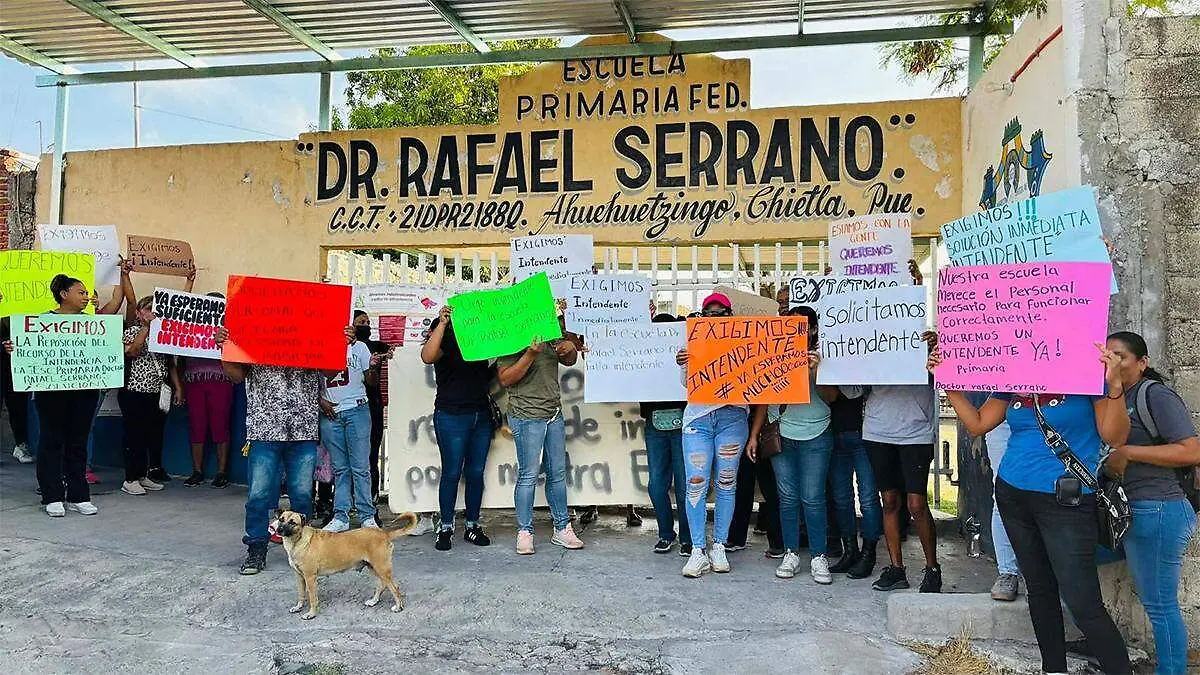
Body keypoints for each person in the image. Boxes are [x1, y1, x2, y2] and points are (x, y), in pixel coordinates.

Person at [934, 343, 1132, 674]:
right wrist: (950, 384)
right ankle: (1053, 668)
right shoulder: (1014, 371)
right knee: (1039, 590)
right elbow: (979, 423)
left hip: (1066, 501)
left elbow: (1115, 436)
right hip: (1013, 493)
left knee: (1083, 602)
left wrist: (1114, 387)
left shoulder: (1088, 370)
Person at [216, 324, 354, 575]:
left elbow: (330, 371)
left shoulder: (311, 336)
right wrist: (225, 347)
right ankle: (256, 549)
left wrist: (340, 344)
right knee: (258, 496)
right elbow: (237, 376)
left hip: (302, 431)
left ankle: (306, 549)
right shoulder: (255, 335)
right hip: (264, 430)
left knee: (301, 496)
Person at [1103, 331, 1198, 674]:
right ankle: (1103, 641)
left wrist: (1129, 453)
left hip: (1157, 509)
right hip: (1122, 512)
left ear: (1142, 363)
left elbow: (1191, 450)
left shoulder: (1153, 395)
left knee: (1159, 605)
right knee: (1070, 565)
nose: (1111, 361)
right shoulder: (1108, 397)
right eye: (1106, 354)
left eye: (1120, 356)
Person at [5, 273, 126, 517]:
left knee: (78, 442)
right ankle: (52, 496)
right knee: (51, 441)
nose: (86, 297)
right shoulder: (41, 321)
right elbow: (29, 349)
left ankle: (78, 496)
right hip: (51, 393)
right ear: (63, 294)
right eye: (80, 292)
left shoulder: (94, 325)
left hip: (85, 391)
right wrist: (15, 349)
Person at [747, 305, 836, 583]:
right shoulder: (774, 353)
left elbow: (832, 397)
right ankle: (791, 553)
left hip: (817, 433)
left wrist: (817, 370)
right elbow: (764, 398)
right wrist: (754, 435)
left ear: (812, 329)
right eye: (790, 324)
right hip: (782, 434)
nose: (796, 330)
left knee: (812, 498)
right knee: (787, 498)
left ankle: (819, 556)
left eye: (801, 325)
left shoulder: (825, 355)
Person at [674, 292, 750, 578]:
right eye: (710, 313)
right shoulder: (692, 340)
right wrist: (683, 362)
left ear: (730, 315)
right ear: (703, 316)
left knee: (726, 483)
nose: (715, 318)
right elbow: (687, 383)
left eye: (721, 314)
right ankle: (697, 549)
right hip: (698, 418)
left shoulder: (743, 339)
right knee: (695, 483)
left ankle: (718, 545)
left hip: (732, 417)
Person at [863, 332, 943, 594]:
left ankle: (932, 568)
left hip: (916, 431)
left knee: (916, 504)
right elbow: (852, 389)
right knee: (890, 502)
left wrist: (935, 353)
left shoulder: (923, 338)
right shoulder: (865, 337)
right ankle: (897, 569)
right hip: (878, 430)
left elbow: (940, 376)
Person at [496, 321, 584, 555]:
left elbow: (570, 360)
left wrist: (569, 347)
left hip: (553, 412)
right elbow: (505, 378)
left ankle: (562, 528)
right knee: (528, 474)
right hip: (525, 415)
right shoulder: (510, 334)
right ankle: (524, 531)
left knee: (557, 473)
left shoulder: (551, 330)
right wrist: (530, 353)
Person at [420, 305, 494, 551]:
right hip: (451, 416)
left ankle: (472, 525)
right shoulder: (445, 337)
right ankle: (447, 526)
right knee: (451, 473)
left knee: (475, 472)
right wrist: (441, 324)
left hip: (480, 415)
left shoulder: (481, 339)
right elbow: (427, 357)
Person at [319, 324, 381, 532]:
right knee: (340, 468)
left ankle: (367, 516)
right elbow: (311, 380)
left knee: (361, 467)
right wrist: (320, 401)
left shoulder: (360, 347)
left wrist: (373, 367)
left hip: (357, 409)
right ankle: (341, 516)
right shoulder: (318, 346)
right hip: (331, 413)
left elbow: (371, 382)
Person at [640, 312, 691, 556]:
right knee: (657, 485)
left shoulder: (687, 355)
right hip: (654, 424)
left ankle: (688, 537)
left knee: (684, 485)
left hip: (684, 425)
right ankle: (666, 534)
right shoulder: (643, 354)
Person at [174, 295, 235, 489]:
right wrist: (180, 386)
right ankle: (197, 471)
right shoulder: (191, 328)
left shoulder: (229, 331)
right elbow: (179, 357)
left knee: (221, 426)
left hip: (221, 380)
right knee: (196, 425)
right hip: (194, 381)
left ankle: (221, 473)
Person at [825, 383, 884, 579]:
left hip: (866, 433)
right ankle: (850, 551)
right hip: (836, 431)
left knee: (868, 499)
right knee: (842, 498)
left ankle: (868, 554)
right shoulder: (825, 362)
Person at [118, 295, 170, 496]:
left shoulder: (163, 334)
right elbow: (132, 352)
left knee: (149, 435)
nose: (151, 313)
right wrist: (146, 328)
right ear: (139, 313)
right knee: (134, 436)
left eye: (154, 309)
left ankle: (142, 475)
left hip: (155, 392)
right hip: (134, 391)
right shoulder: (131, 331)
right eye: (147, 309)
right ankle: (130, 478)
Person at [353, 310, 394, 502]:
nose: (366, 325)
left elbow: (395, 352)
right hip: (351, 407)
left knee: (371, 453)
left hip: (373, 406)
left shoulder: (376, 346)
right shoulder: (346, 348)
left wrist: (390, 355)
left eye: (368, 322)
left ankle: (372, 496)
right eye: (361, 322)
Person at [984, 419, 1022, 601]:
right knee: (1002, 497)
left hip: (1053, 414)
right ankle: (1007, 573)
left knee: (1048, 496)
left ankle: (1040, 574)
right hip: (1004, 416)